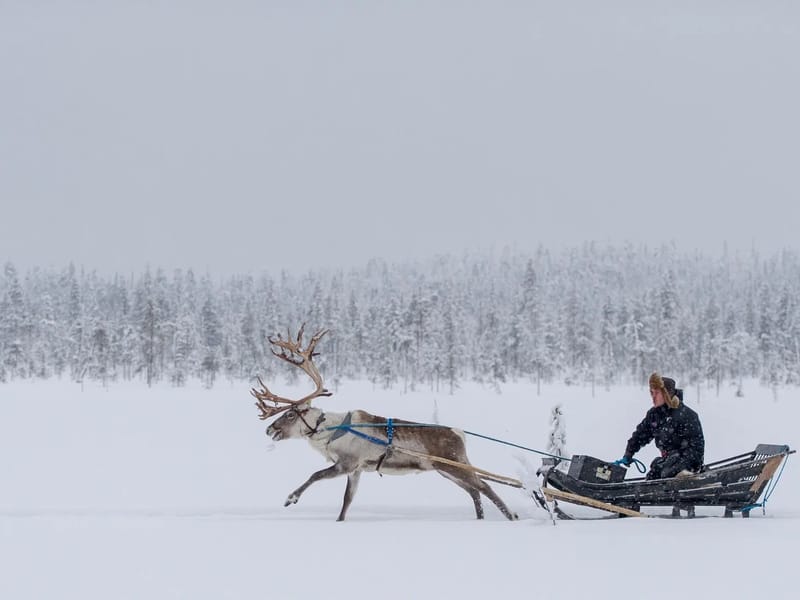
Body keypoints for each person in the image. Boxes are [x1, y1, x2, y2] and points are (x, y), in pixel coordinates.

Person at [615, 373, 705, 480]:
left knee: (666, 473)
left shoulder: (687, 415)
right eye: (651, 393)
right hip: (668, 462)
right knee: (652, 477)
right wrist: (629, 453)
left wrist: (685, 465)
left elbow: (696, 448)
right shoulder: (654, 415)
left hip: (686, 464)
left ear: (667, 394)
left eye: (656, 393)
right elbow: (640, 436)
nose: (653, 397)